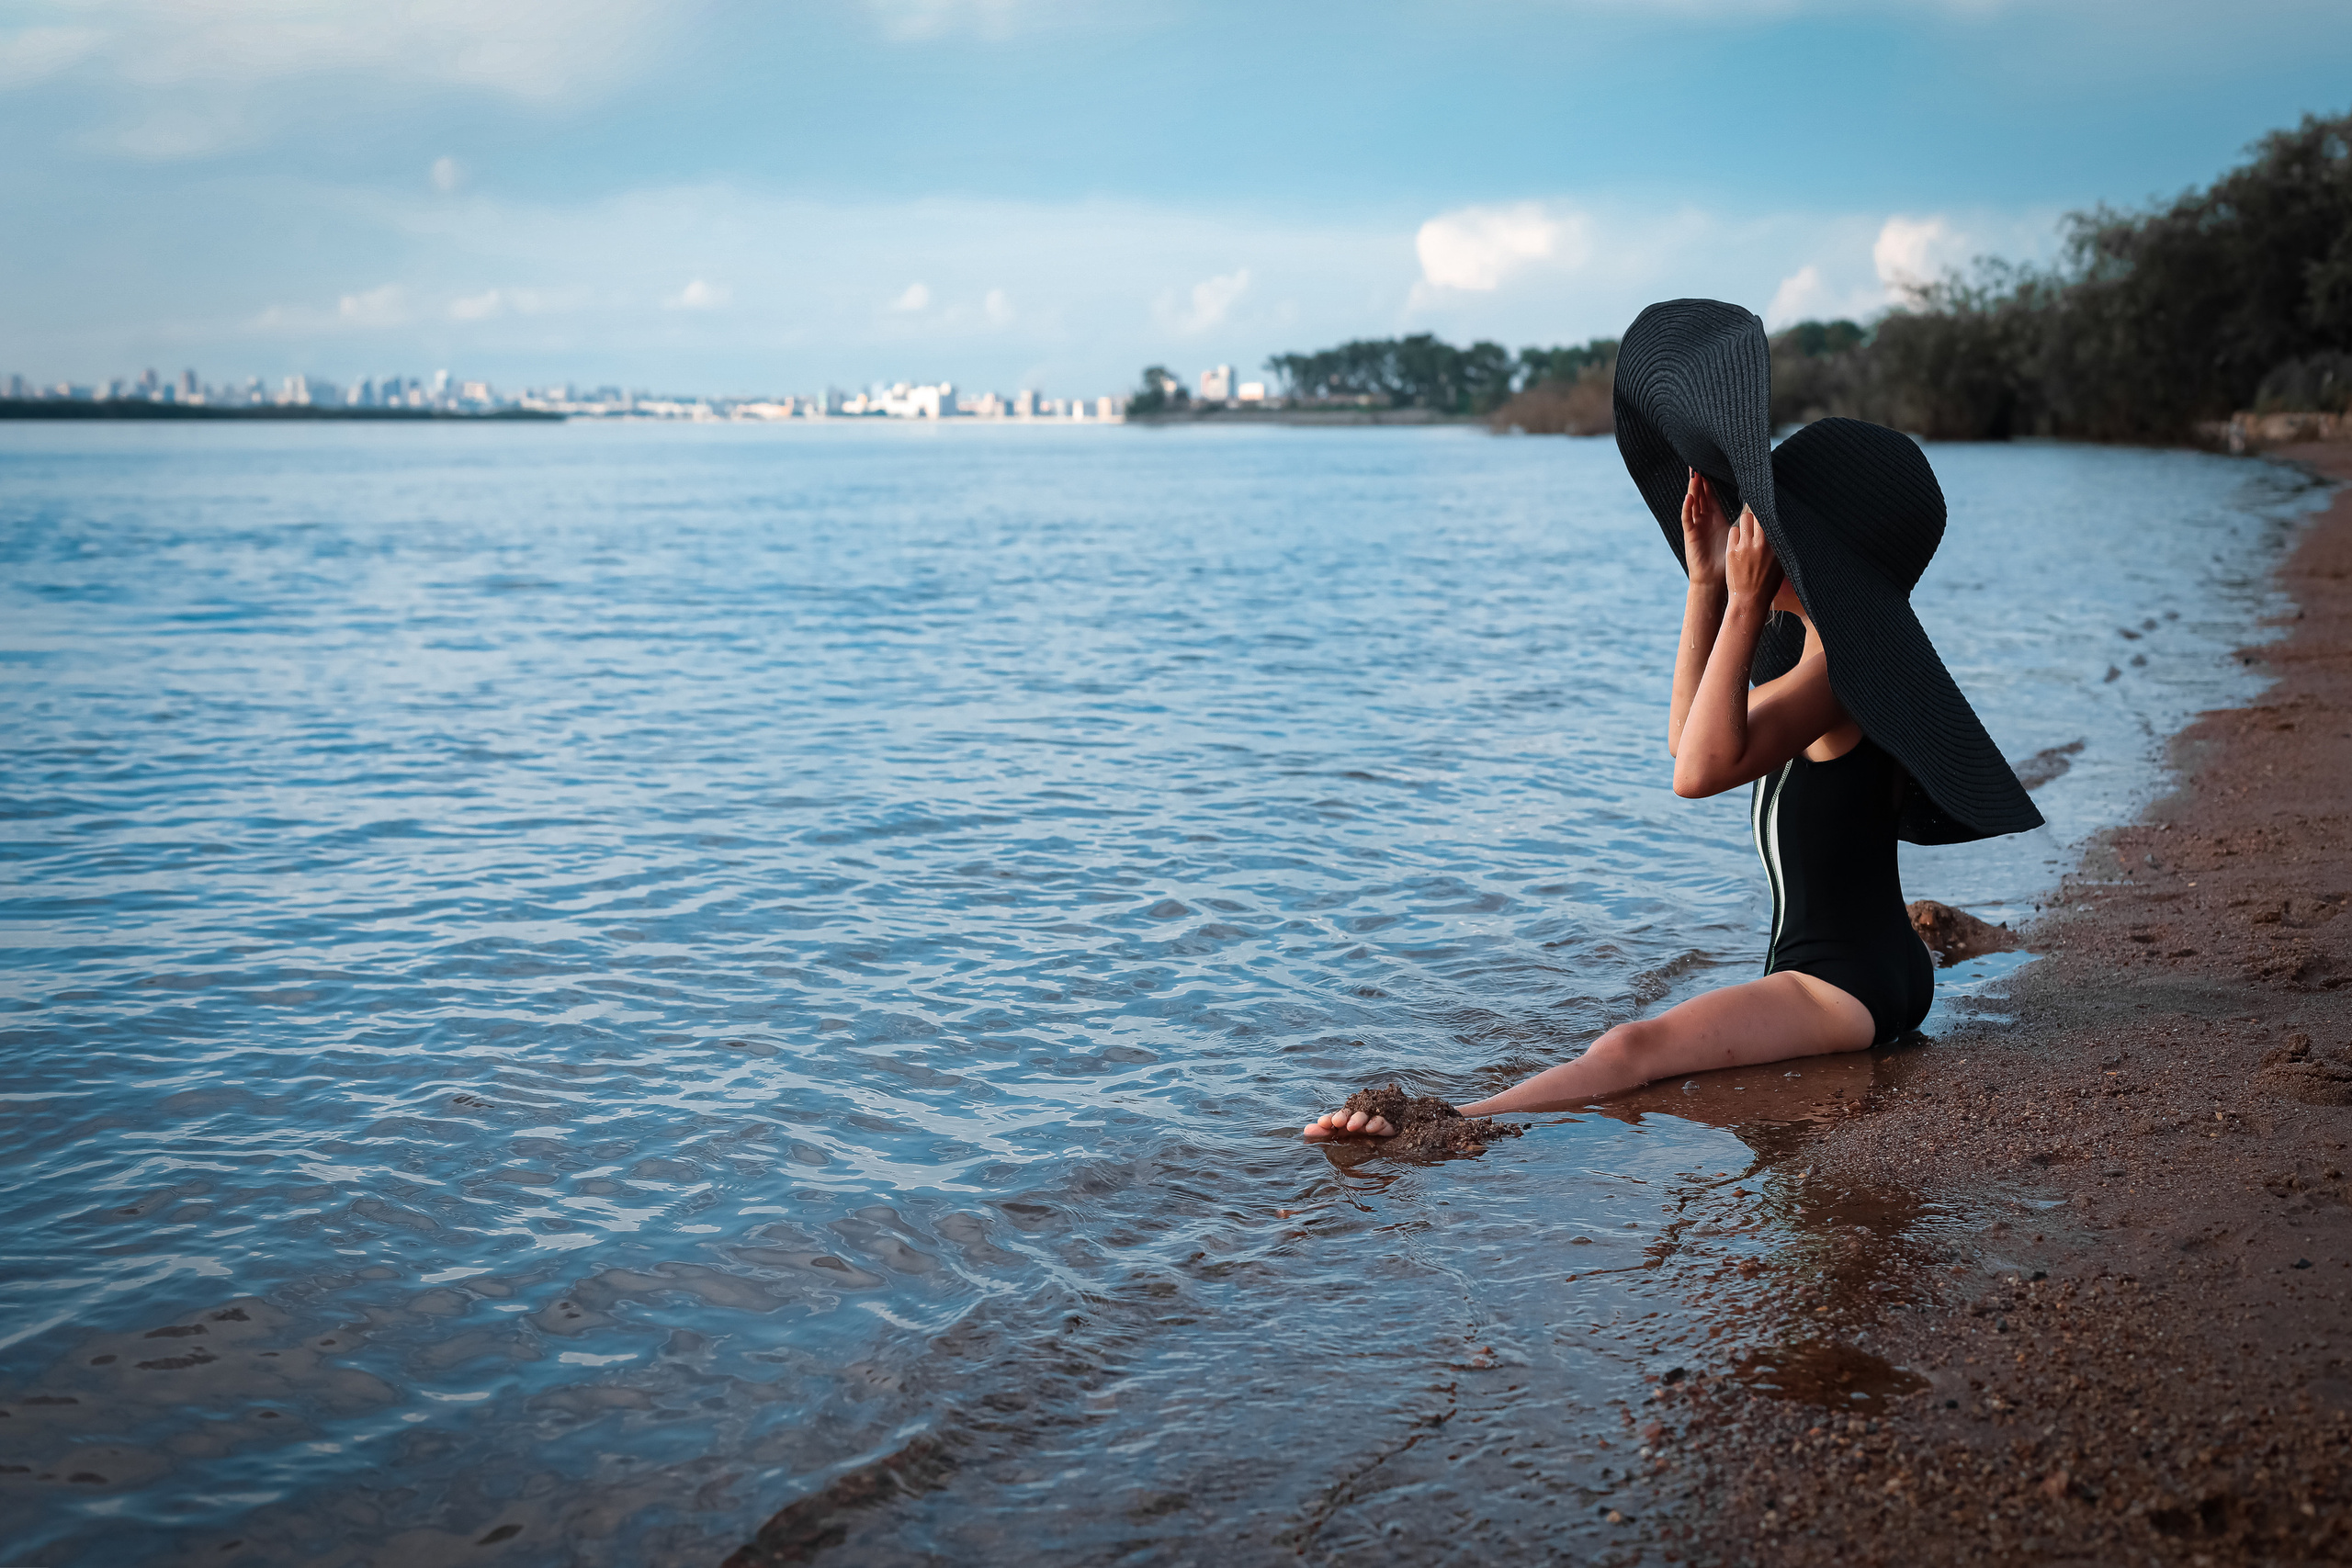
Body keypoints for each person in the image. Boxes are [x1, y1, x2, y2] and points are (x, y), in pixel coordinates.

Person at [1306, 299, 2043, 1143]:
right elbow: (1691, 739)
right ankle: (1451, 1121)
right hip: (1877, 968)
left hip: (1843, 987)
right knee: (1643, 1045)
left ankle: (1445, 1128)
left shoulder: (1834, 682)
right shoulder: (1829, 674)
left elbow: (1696, 773)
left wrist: (1743, 605)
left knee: (1632, 1048)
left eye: (1767, 527)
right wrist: (1705, 585)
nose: (1750, 534)